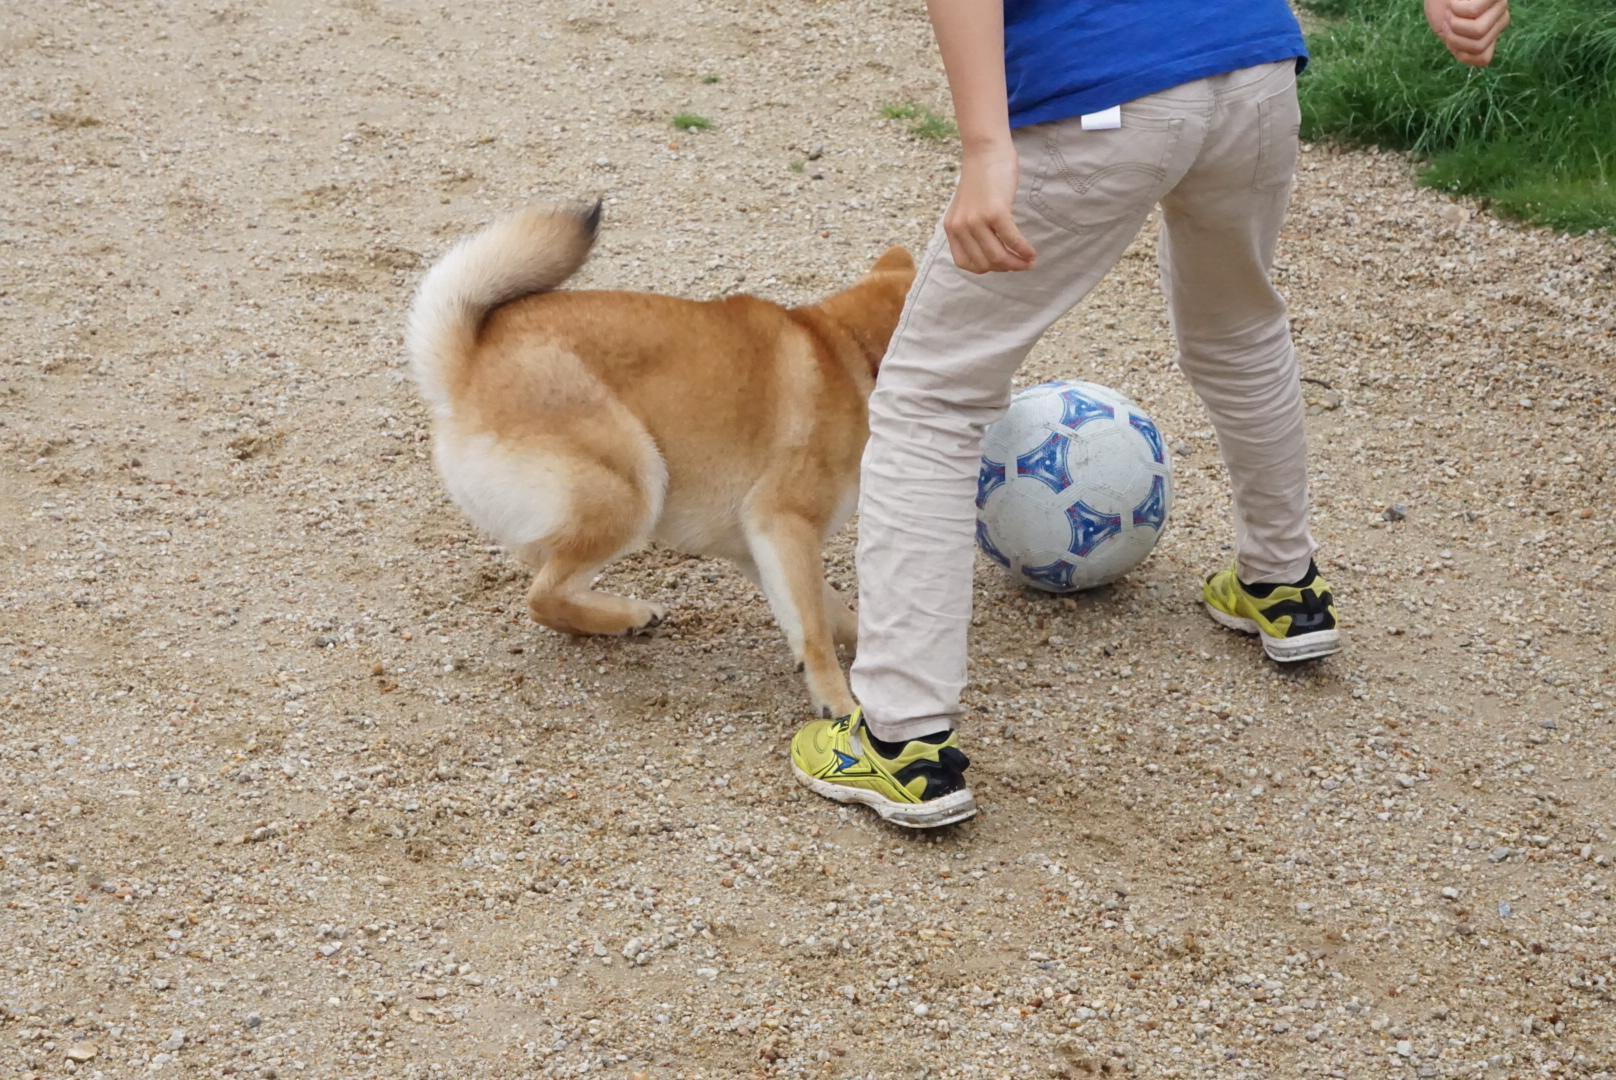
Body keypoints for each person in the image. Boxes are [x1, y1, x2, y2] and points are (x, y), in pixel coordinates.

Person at [789, 0, 1512, 828]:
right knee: (1240, 329)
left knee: (929, 397)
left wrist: (987, 147)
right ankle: (1283, 585)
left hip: (1103, 87)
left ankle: (901, 739)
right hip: (1253, 71)